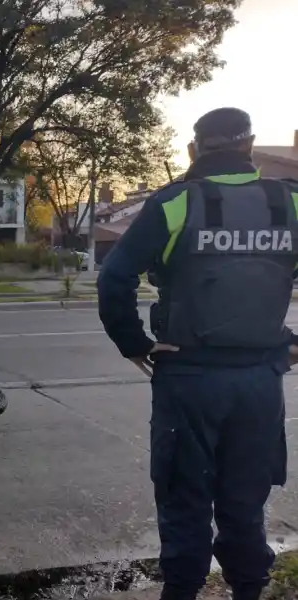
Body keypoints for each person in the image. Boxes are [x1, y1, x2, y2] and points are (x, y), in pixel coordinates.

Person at [97, 107, 298, 600]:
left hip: (187, 378)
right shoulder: (290, 203)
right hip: (258, 382)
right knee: (244, 502)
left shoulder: (174, 203)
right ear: (250, 147)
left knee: (185, 499)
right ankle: (249, 590)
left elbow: (114, 277)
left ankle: (183, 591)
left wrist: (135, 345)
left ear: (194, 150)